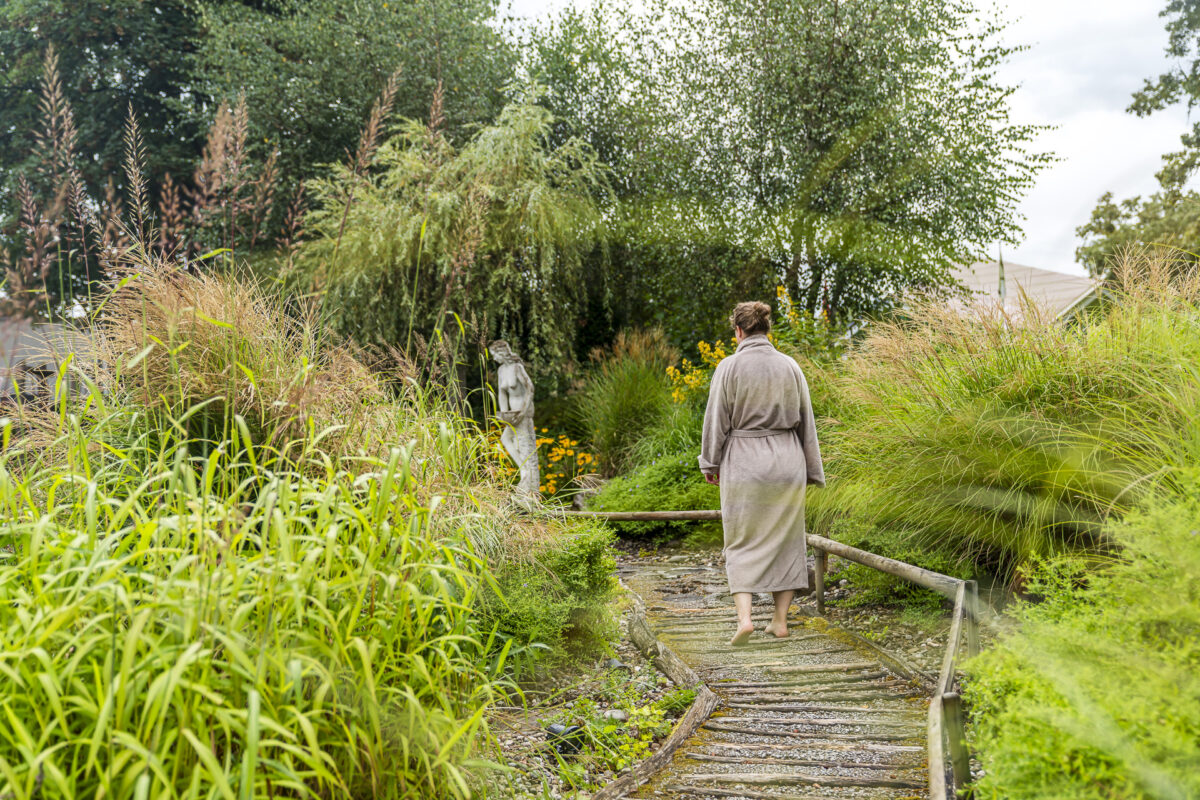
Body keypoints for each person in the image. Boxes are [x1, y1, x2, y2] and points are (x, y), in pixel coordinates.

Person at [698, 301, 825, 646]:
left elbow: (716, 421)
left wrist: (710, 463)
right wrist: (813, 470)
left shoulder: (729, 367)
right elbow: (807, 422)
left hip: (744, 461)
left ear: (738, 331)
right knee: (787, 538)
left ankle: (745, 619)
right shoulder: (790, 366)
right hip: (787, 460)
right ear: (767, 330)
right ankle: (780, 621)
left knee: (740, 538)